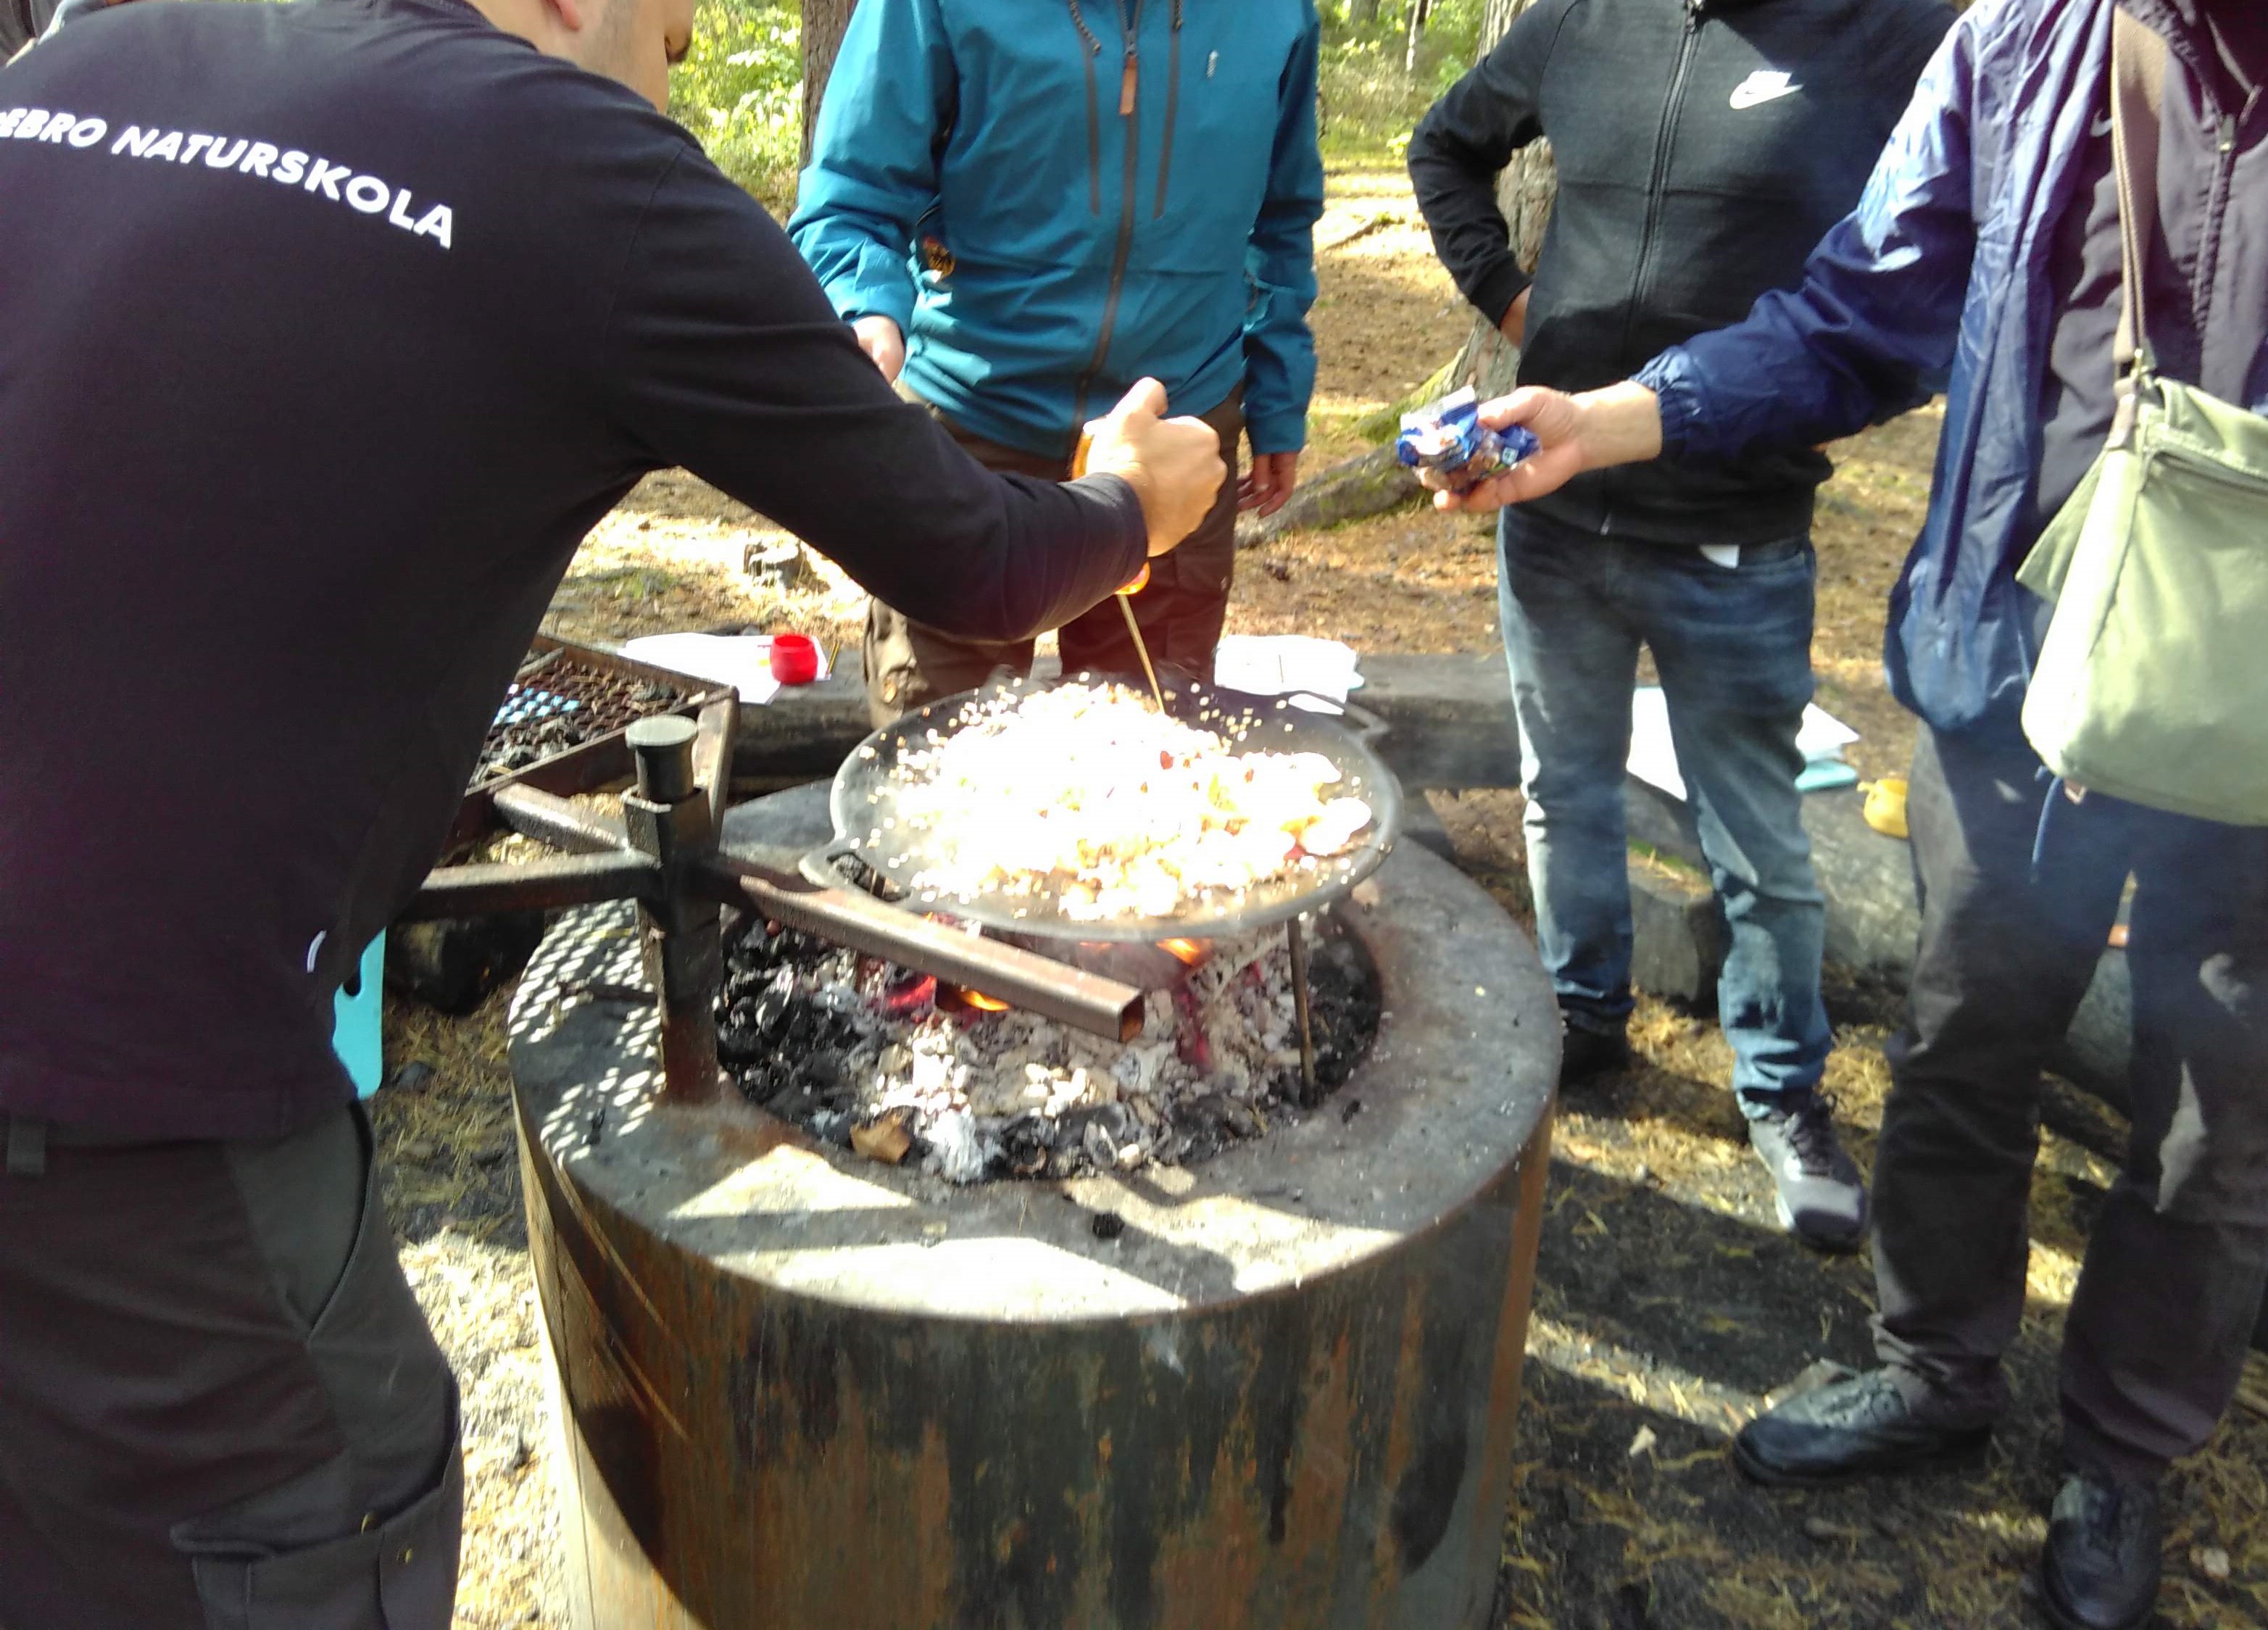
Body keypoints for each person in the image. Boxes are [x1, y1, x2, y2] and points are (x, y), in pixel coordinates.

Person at [0, 0, 1224, 1618]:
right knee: (310, 1507)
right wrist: (1128, 503)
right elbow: (971, 561)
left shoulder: (90, 62)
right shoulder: (579, 162)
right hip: (119, 1076)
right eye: (669, 13)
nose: (691, 33)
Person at [1424, 2, 2268, 1623]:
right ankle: (1930, 1365)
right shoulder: (2022, 45)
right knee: (1960, 1039)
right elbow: (1854, 314)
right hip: (2005, 663)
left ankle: (2120, 1459)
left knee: (2213, 1112)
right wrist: (1607, 413)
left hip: (2248, 728)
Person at [1405, 0, 1953, 1251]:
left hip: (1735, 531)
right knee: (1564, 789)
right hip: (1549, 512)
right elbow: (1443, 144)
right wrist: (1510, 303)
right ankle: (1578, 1015)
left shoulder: (1885, 35)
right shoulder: (1584, 21)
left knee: (1754, 836)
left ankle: (1779, 1088)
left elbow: (1931, 263)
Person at [789, 0, 1324, 725]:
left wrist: (1278, 394)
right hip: (968, 428)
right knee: (936, 752)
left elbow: (1283, 217)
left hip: (1177, 426)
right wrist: (865, 310)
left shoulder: (1275, 14)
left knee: (1150, 753)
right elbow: (853, 194)